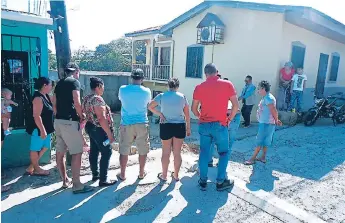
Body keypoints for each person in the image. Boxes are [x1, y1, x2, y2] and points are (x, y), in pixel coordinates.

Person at [192, 63, 239, 191]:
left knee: (204, 152)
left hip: (204, 126)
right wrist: (229, 119)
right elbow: (235, 106)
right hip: (220, 125)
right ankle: (220, 182)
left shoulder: (199, 87)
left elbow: (194, 109)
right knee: (223, 152)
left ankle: (202, 181)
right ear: (217, 72)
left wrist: (201, 117)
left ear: (205, 74)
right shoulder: (227, 85)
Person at [52, 62, 93, 194]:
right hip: (69, 122)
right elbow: (76, 100)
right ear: (76, 71)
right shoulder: (74, 82)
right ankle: (77, 185)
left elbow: (53, 101)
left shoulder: (59, 83)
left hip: (58, 121)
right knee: (77, 152)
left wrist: (58, 114)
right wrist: (82, 115)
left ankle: (65, 181)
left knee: (60, 152)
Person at [148, 78, 191, 182]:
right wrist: (188, 128)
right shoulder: (182, 97)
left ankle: (164, 175)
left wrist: (160, 114)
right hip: (179, 125)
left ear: (168, 86)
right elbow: (187, 114)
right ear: (178, 86)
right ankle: (176, 175)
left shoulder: (162, 96)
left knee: (165, 152)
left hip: (166, 125)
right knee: (177, 152)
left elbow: (150, 106)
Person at [118, 68, 151, 181]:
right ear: (142, 79)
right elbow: (148, 104)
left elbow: (121, 100)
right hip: (142, 122)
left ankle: (122, 174)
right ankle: (141, 173)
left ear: (131, 78)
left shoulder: (122, 89)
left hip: (126, 123)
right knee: (143, 149)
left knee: (124, 149)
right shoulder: (147, 91)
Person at [83, 77, 117, 187]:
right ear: (98, 86)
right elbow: (101, 118)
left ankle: (95, 174)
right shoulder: (98, 99)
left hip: (90, 127)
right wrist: (109, 134)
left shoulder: (87, 98)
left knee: (94, 150)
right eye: (103, 87)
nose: (103, 90)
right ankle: (103, 179)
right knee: (107, 152)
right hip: (99, 129)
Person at [244, 81, 282, 165]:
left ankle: (252, 159)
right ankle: (263, 157)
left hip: (266, 123)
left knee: (260, 141)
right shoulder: (267, 97)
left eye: (259, 89)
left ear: (263, 89)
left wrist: (276, 120)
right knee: (265, 141)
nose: (258, 91)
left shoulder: (268, 98)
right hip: (267, 123)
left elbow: (273, 110)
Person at [25, 77, 54, 176]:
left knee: (46, 146)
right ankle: (37, 169)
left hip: (47, 128)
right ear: (45, 85)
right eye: (50, 85)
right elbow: (36, 116)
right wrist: (42, 130)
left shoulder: (46, 96)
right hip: (38, 129)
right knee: (35, 148)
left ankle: (31, 167)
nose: (51, 87)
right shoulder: (38, 98)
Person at [209, 94, 241, 167]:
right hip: (235, 115)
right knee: (228, 142)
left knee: (212, 139)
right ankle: (222, 163)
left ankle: (209, 161)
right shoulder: (231, 91)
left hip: (223, 115)